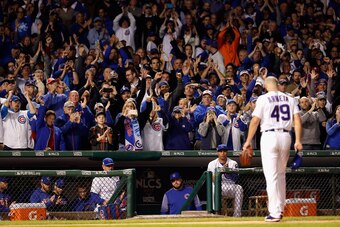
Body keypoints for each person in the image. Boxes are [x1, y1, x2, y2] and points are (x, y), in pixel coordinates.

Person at [243, 76, 303, 222]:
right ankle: (280, 209)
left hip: (269, 136)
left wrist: (248, 141)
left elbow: (255, 121)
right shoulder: (290, 98)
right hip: (286, 136)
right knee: (281, 174)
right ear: (277, 84)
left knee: (272, 176)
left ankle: (275, 212)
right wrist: (298, 141)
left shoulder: (263, 99)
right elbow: (297, 120)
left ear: (266, 86)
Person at [207, 144, 243, 217]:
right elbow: (212, 180)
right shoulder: (212, 164)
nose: (222, 153)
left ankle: (237, 215)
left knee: (239, 188)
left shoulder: (233, 163)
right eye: (220, 151)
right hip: (219, 186)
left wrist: (227, 172)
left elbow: (235, 178)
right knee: (213, 187)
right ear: (217, 153)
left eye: (224, 151)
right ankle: (214, 212)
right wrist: (223, 169)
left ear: (227, 152)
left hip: (230, 185)